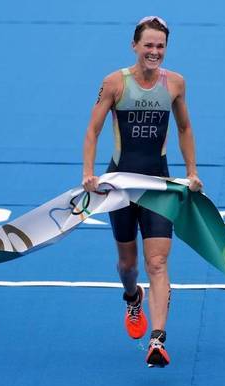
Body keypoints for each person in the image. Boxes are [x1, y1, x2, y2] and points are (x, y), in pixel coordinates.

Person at [81, 16, 203, 368]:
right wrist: (89, 174)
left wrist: (192, 173)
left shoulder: (175, 84)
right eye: (148, 45)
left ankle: (158, 340)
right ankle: (133, 298)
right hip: (120, 186)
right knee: (128, 265)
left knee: (157, 262)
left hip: (157, 185)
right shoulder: (115, 83)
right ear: (135, 46)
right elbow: (93, 131)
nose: (154, 52)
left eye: (160, 46)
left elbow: (184, 127)